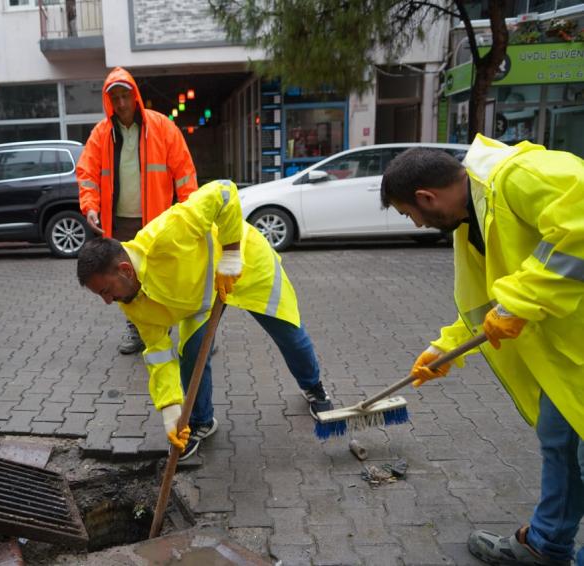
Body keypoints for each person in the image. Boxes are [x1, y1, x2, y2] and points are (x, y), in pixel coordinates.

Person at [380, 134, 584, 566]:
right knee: (560, 443)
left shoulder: (519, 174)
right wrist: (444, 349)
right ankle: (545, 545)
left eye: (409, 214)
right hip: (567, 359)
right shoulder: (470, 224)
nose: (416, 225)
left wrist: (520, 301)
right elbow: (486, 309)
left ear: (426, 197)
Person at [76, 180, 334, 461]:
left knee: (288, 333)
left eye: (106, 291)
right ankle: (201, 421)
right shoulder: (131, 302)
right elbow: (159, 354)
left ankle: (314, 387)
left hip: (246, 264)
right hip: (202, 298)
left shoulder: (167, 234)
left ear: (125, 270)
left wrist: (231, 253)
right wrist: (171, 410)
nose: (107, 301)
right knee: (192, 353)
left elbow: (224, 191)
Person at [77, 67, 198, 355]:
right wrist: (90, 206)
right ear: (108, 101)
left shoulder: (162, 127)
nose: (121, 104)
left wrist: (192, 213)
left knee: (166, 276)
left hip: (157, 222)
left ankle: (190, 330)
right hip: (119, 224)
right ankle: (138, 329)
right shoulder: (101, 134)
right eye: (115, 98)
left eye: (125, 96)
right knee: (125, 280)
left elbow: (184, 172)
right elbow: (87, 174)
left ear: (135, 96)